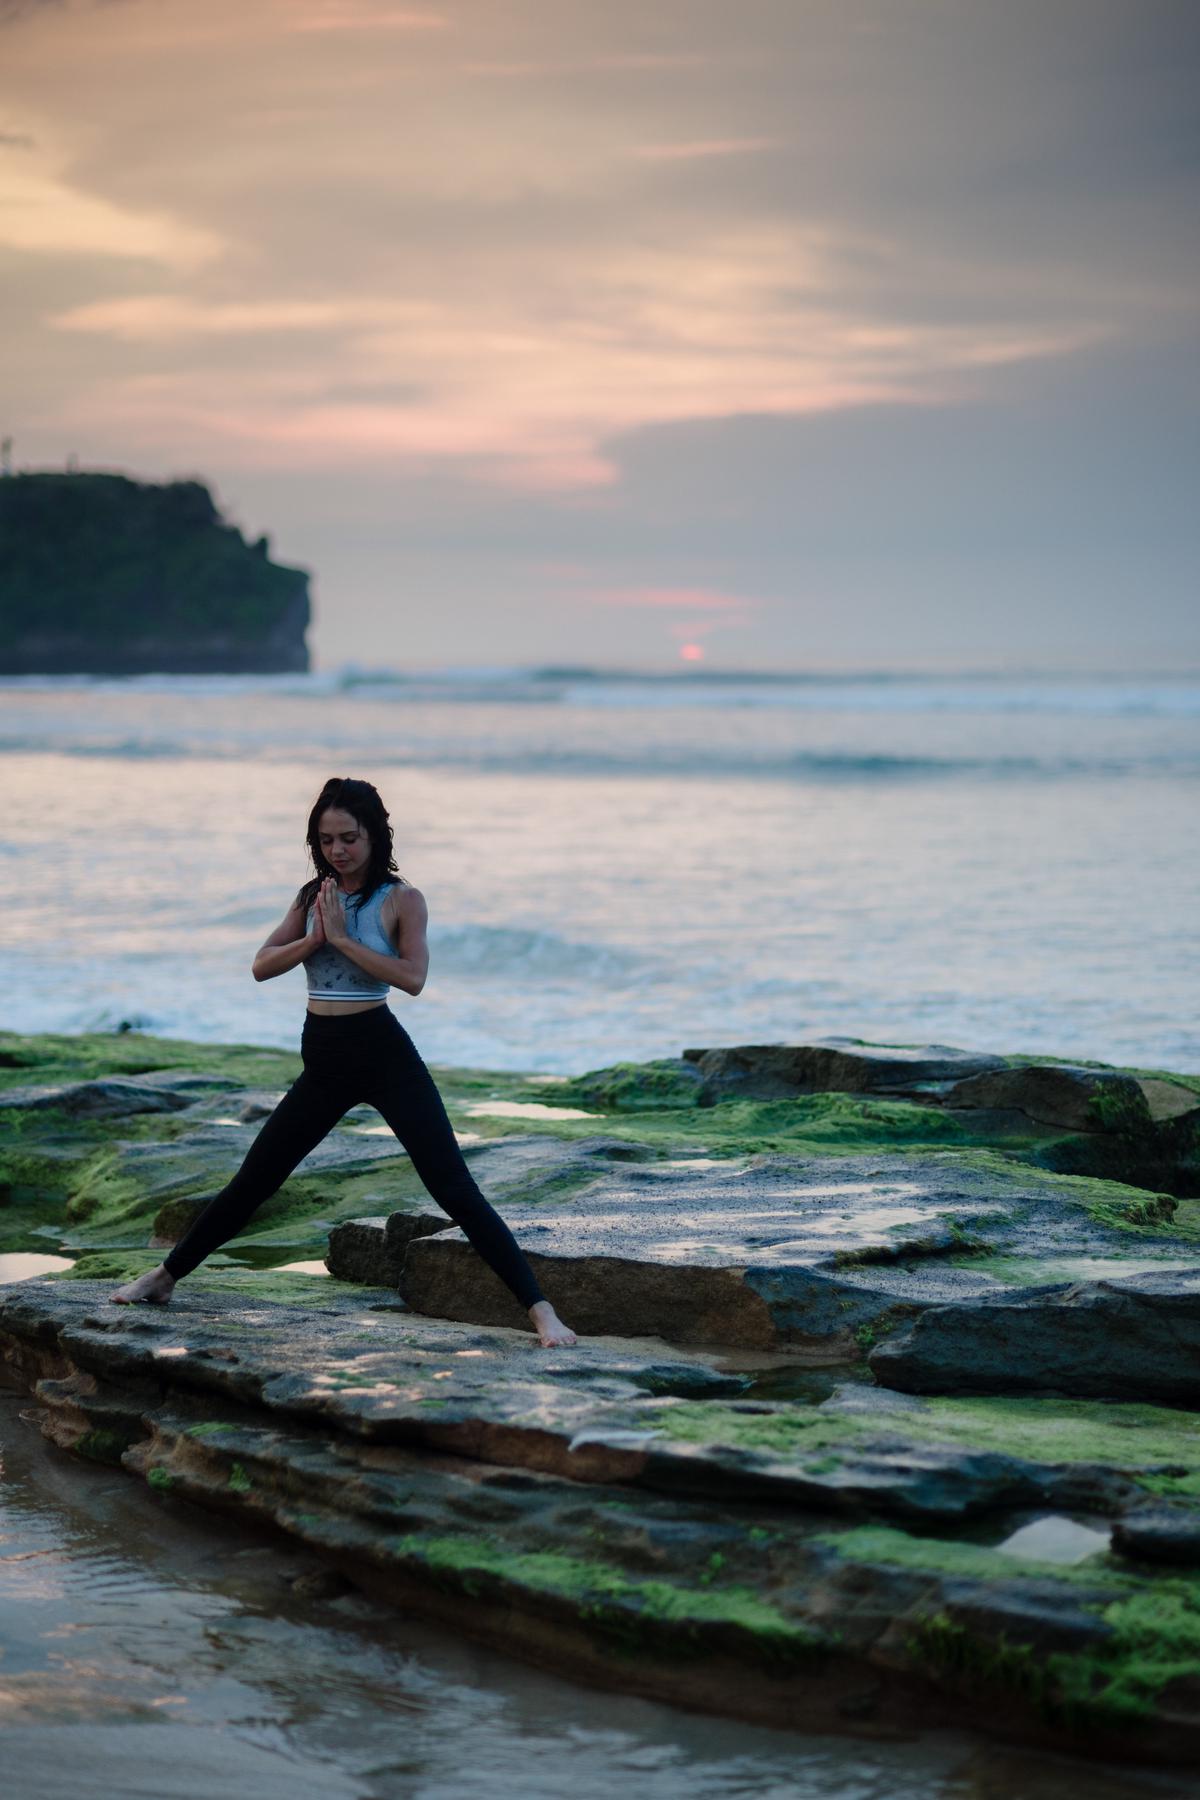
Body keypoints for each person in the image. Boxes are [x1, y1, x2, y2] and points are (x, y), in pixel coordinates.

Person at [111, 777, 577, 1348]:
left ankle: (541, 1313)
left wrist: (343, 941)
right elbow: (260, 965)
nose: (338, 850)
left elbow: (413, 979)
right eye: (327, 839)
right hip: (325, 1061)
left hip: (383, 1055)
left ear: (375, 835)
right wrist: (313, 940)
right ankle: (164, 1278)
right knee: (256, 1179)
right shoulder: (313, 896)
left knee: (454, 1188)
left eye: (349, 838)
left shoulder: (402, 900)